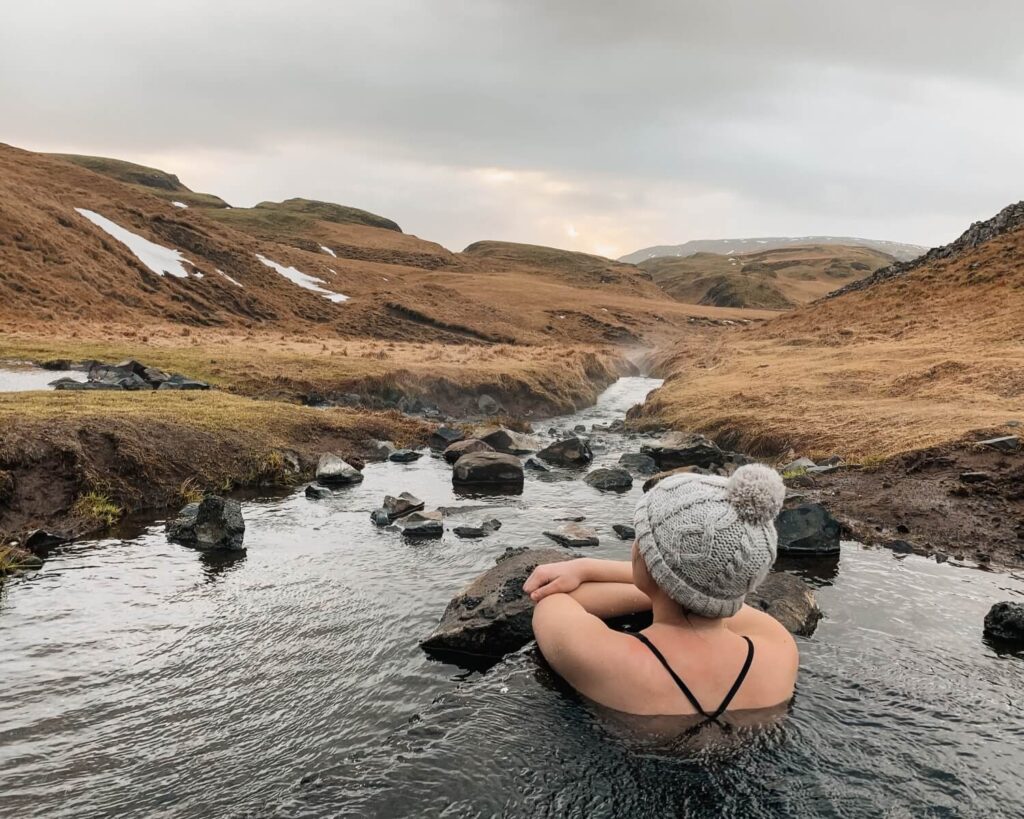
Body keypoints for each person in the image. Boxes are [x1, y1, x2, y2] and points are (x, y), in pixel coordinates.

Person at [525, 464, 798, 722]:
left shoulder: (605, 658)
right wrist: (660, 584)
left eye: (641, 538)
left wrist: (585, 568)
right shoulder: (778, 649)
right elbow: (709, 596)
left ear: (644, 557)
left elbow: (553, 599)